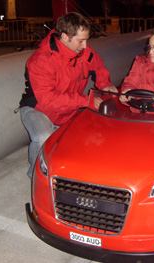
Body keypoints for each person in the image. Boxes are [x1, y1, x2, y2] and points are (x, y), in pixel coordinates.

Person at [18, 12, 117, 179]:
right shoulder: (41, 60)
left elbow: (98, 68)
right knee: (43, 137)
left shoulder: (85, 53)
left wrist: (106, 85)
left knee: (92, 137)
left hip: (68, 108)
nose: (85, 46)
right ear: (65, 37)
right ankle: (36, 176)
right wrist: (86, 101)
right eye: (81, 40)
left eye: (86, 40)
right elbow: (49, 101)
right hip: (38, 109)